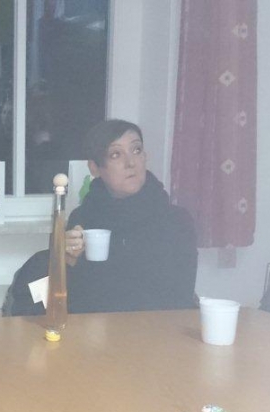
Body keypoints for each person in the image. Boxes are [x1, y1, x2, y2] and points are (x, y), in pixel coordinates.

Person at [63, 119, 198, 313]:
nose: (130, 163)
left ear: (145, 156)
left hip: (158, 327)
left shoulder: (176, 221)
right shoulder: (83, 219)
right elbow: (72, 299)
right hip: (95, 327)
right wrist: (66, 260)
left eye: (136, 150)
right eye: (116, 154)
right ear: (94, 168)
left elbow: (179, 297)